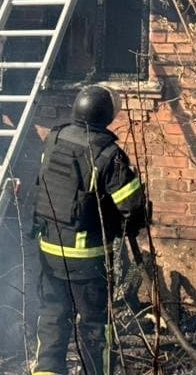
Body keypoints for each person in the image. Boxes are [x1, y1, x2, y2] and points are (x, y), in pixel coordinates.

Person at [33, 84, 148, 375]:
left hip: (49, 251)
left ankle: (47, 371)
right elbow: (132, 208)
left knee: (53, 317)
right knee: (95, 325)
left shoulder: (54, 139)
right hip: (87, 259)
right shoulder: (109, 155)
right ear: (106, 115)